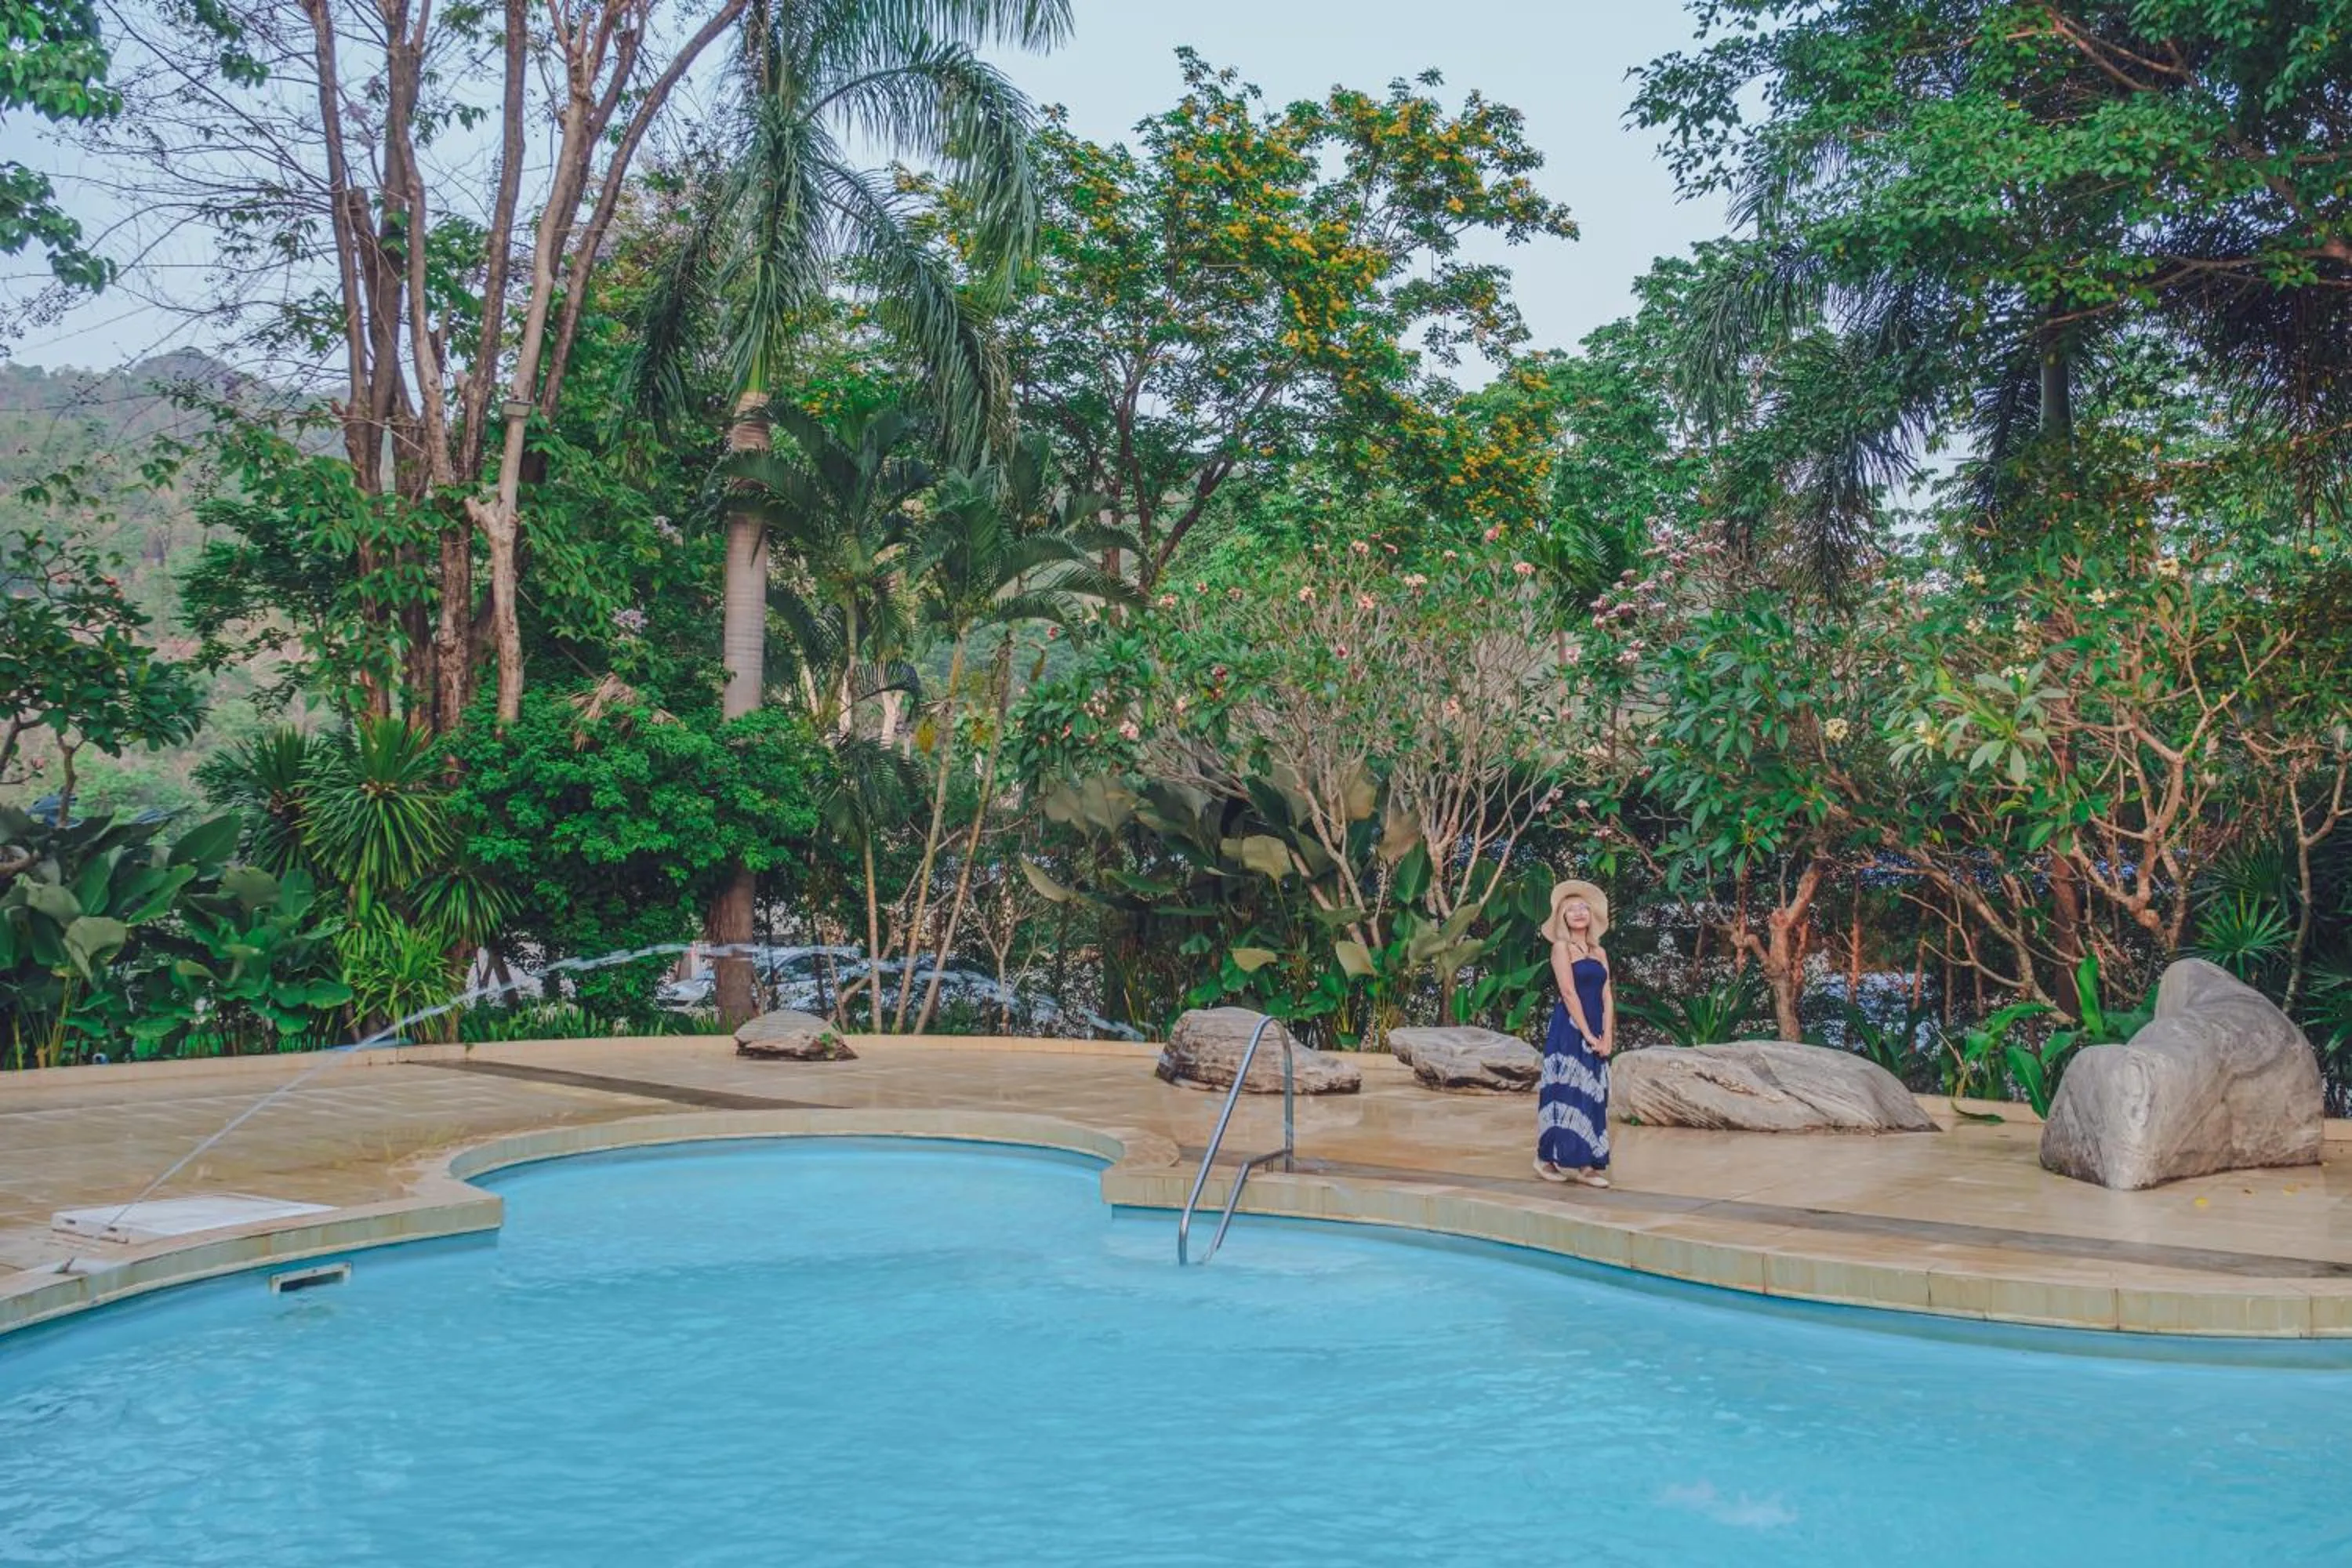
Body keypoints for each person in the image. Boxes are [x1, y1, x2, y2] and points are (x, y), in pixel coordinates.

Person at [1535, 879, 1613, 1189]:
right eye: (1571, 909)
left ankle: (1587, 1166)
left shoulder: (1599, 951)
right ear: (1563, 918)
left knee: (1593, 1093)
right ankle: (1547, 1158)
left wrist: (1606, 1035)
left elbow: (1607, 995)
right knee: (1566, 1091)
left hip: (1596, 1027)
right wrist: (1588, 1035)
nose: (1579, 913)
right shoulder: (1561, 948)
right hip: (1569, 1029)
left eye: (1583, 908)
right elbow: (1568, 993)